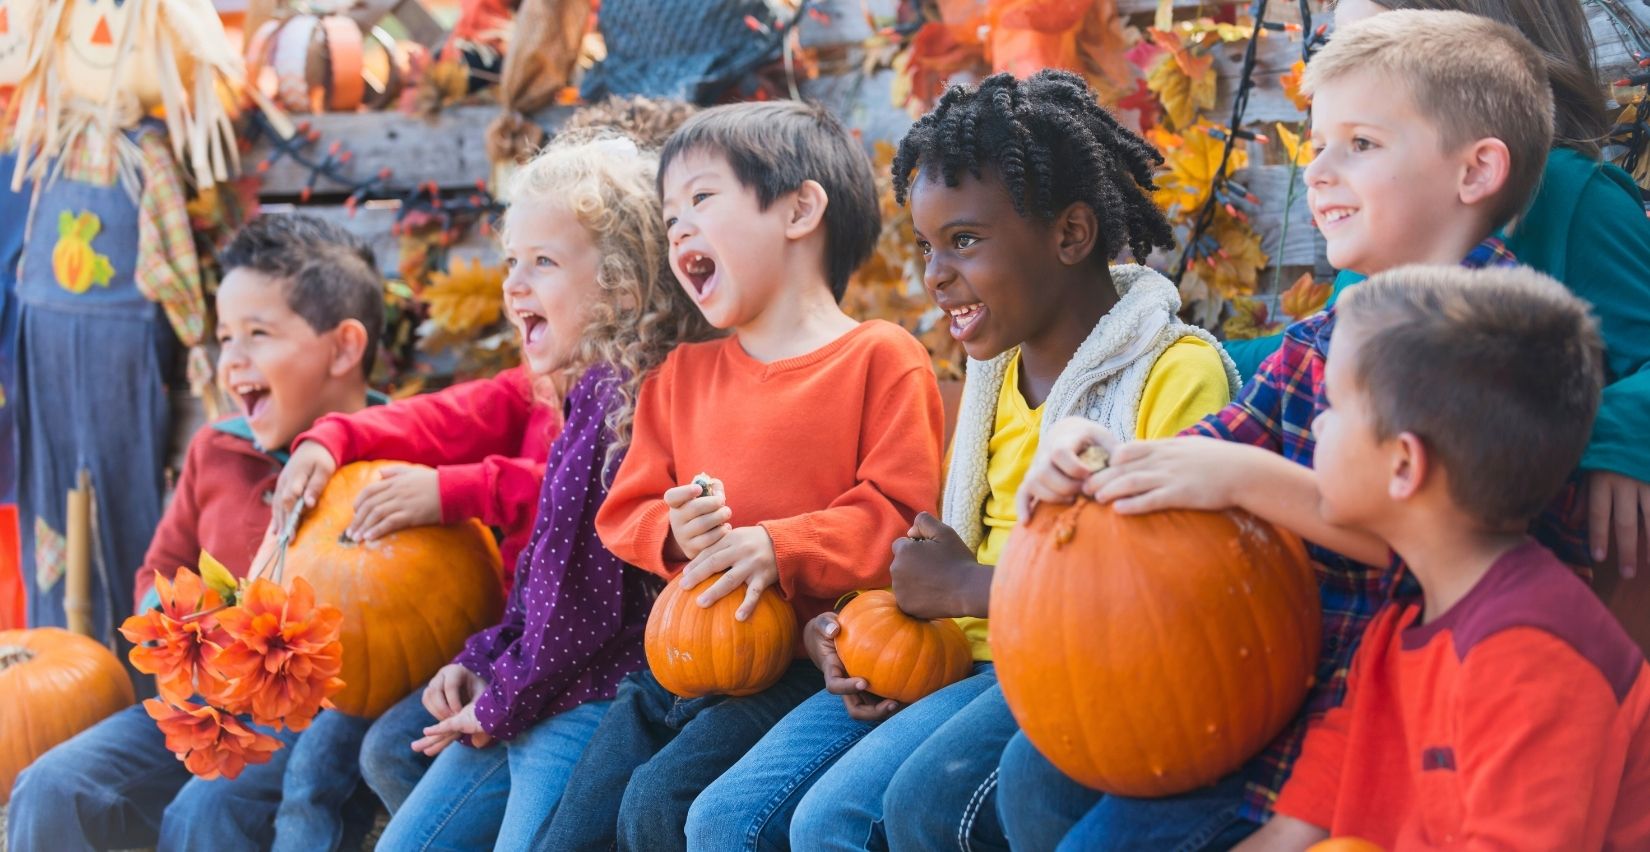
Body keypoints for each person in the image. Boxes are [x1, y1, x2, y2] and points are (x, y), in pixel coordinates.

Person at [1002, 12, 1590, 847]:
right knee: (1037, 778)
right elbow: (1215, 444)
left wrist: (1246, 481)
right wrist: (1090, 453)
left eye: (1360, 144)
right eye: (1317, 145)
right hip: (1263, 687)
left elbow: (1448, 537)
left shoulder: (1499, 342)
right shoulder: (1326, 338)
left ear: (1476, 170)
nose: (1318, 171)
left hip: (1387, 730)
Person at [685, 69, 1237, 852]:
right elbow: (940, 555)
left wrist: (966, 586)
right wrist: (855, 624)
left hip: (1072, 663)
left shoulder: (1174, 373)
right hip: (960, 653)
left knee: (871, 815)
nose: (934, 275)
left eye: (964, 241)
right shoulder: (992, 376)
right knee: (725, 818)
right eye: (926, 246)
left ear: (1070, 235)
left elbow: (1167, 592)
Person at [541, 100, 946, 852]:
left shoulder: (880, 358)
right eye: (670, 221)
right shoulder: (678, 377)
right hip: (675, 663)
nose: (680, 229)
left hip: (796, 662)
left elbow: (898, 512)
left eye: (701, 199)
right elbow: (625, 511)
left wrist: (780, 545)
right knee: (573, 832)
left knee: (661, 807)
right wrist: (673, 529)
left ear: (800, 209)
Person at [1222, 0, 1650, 581]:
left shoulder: (1575, 197)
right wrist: (1181, 352)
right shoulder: (1384, 242)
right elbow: (1306, 358)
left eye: (1370, 42)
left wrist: (1622, 434)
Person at [8, 214, 386, 851]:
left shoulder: (391, 470)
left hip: (319, 724)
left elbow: (413, 620)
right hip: (202, 707)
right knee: (51, 786)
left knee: (206, 815)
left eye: (257, 334)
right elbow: (160, 567)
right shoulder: (217, 451)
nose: (230, 360)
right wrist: (179, 632)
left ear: (344, 348)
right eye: (224, 336)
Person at [1238, 266, 1650, 849]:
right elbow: (1293, 830)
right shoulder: (1396, 636)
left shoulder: (1535, 656)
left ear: (1404, 464)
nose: (1318, 421)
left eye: (1333, 405)